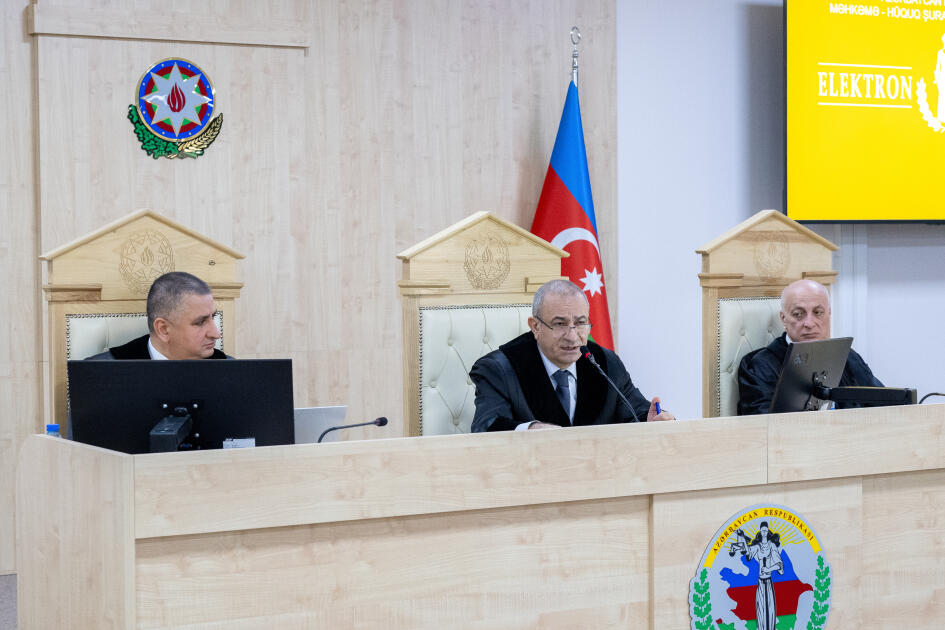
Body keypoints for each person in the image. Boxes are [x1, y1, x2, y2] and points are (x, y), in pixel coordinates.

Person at [469, 279, 674, 432]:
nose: (573, 336)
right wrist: (530, 429)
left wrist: (654, 423)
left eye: (581, 323)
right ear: (535, 326)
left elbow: (637, 413)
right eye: (560, 324)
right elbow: (486, 426)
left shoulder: (605, 364)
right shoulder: (499, 369)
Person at [737, 279, 882, 415]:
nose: (809, 323)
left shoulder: (847, 356)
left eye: (818, 313)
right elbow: (763, 425)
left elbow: (884, 403)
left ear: (829, 313)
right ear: (783, 318)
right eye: (798, 314)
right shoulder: (760, 366)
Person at [87, 271, 228, 360]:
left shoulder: (232, 374)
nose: (216, 334)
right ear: (163, 329)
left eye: (213, 317)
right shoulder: (98, 375)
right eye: (201, 322)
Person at [731, 523, 783, 630]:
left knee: (769, 609)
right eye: (762, 530)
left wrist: (769, 569)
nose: (764, 532)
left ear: (768, 531)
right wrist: (741, 535)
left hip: (768, 581)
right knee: (761, 609)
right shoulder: (758, 546)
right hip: (760, 581)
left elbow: (780, 565)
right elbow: (747, 552)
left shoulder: (772, 546)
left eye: (765, 530)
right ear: (760, 531)